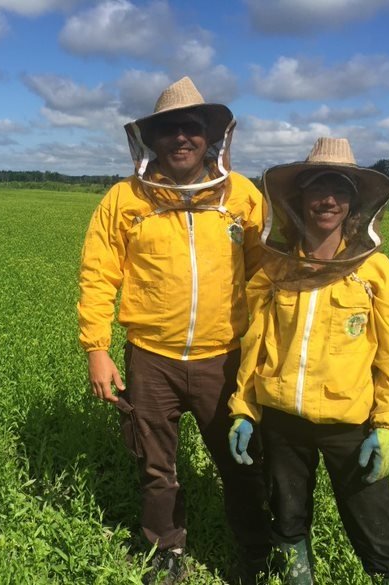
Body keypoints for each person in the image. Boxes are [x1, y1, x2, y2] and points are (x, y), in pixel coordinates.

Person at [77, 76, 271, 583]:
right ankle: (166, 550)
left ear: (211, 137)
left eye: (192, 128)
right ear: (151, 139)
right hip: (150, 358)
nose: (181, 138)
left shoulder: (243, 196)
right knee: (155, 465)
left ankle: (255, 551)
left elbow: (265, 276)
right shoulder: (125, 199)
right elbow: (98, 274)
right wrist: (97, 349)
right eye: (169, 130)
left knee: (241, 461)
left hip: (223, 357)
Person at [227, 137, 389, 584]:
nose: (327, 200)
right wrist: (244, 408)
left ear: (354, 203)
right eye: (317, 188)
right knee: (288, 520)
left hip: (349, 426)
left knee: (377, 533)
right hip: (282, 422)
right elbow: (254, 344)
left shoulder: (374, 273)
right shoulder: (275, 271)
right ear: (299, 199)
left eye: (339, 189)